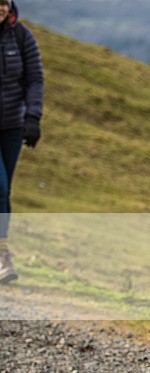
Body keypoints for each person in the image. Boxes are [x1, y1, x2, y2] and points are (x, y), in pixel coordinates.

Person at [0, 0, 43, 284]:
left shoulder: (22, 35)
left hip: (12, 126)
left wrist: (33, 117)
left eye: (3, 2)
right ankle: (3, 256)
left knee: (5, 192)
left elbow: (35, 79)